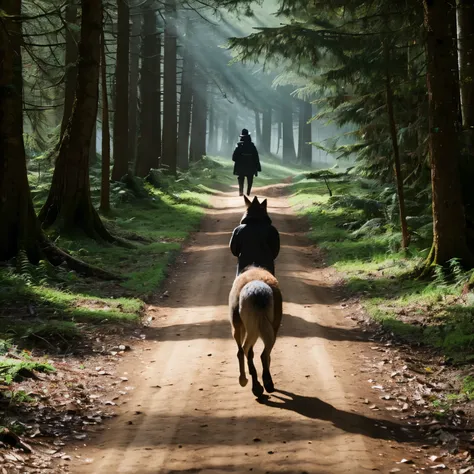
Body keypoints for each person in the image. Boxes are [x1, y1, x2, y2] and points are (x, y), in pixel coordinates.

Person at [232, 128, 261, 196]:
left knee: (241, 178)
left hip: (241, 165)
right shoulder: (252, 145)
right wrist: (257, 166)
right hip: (250, 165)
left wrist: (238, 160)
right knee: (250, 179)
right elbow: (256, 157)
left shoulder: (239, 145)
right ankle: (248, 192)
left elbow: (234, 157)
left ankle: (241, 191)